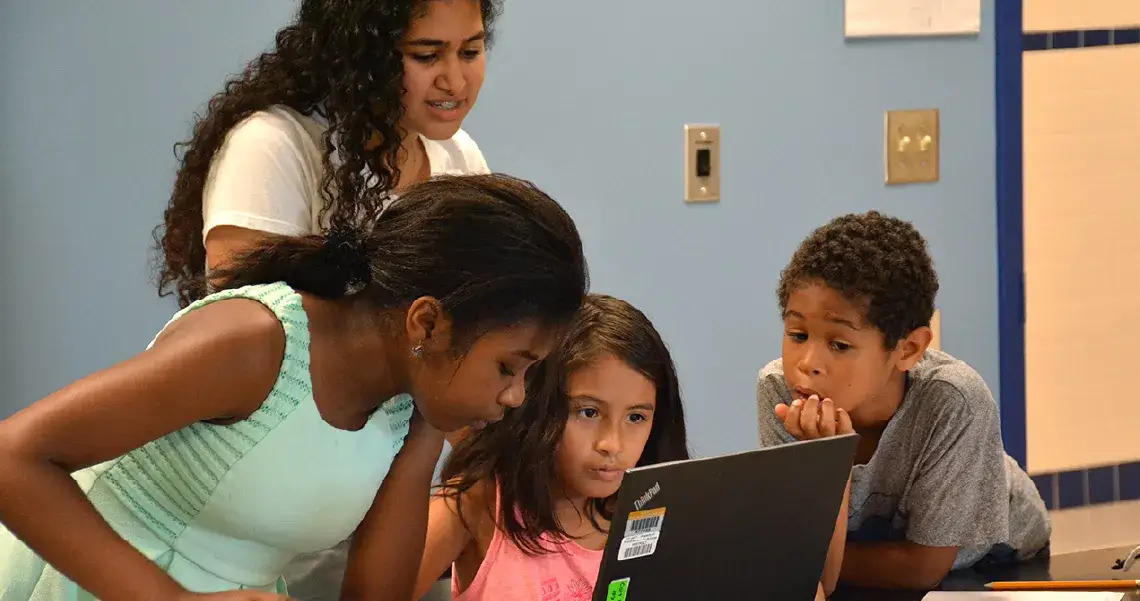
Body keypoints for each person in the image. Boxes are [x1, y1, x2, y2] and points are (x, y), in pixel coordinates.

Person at [0, 174, 588, 601]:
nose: (516, 397)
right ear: (428, 323)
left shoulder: (411, 408)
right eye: (510, 368)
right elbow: (14, 457)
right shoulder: (255, 343)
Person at [414, 294, 850, 601]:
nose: (613, 444)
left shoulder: (674, 511)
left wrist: (834, 461)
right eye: (587, 412)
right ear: (539, 404)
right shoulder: (476, 505)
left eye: (637, 417)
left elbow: (813, 586)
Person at [757, 211, 1052, 590]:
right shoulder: (779, 391)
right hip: (866, 561)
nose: (808, 364)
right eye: (797, 335)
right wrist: (827, 464)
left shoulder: (955, 400)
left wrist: (794, 558)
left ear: (908, 349)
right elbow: (803, 551)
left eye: (839, 345)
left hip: (993, 563)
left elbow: (923, 568)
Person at [154, 0, 498, 308]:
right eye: (426, 55)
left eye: (470, 52)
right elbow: (240, 331)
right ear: (363, 53)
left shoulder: (461, 156)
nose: (455, 81)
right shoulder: (271, 145)